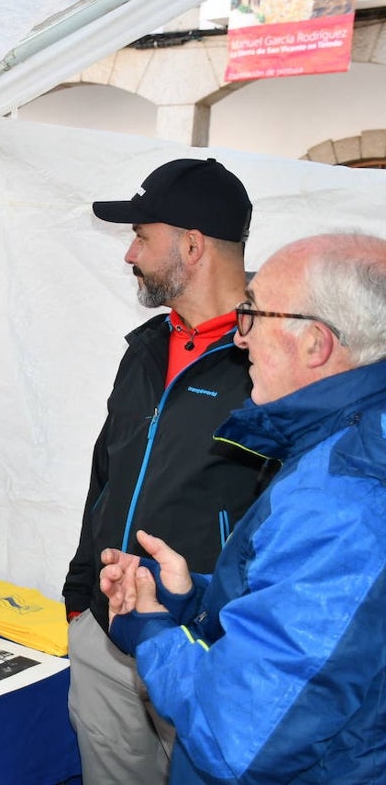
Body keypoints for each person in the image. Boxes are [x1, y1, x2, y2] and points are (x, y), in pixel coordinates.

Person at [102, 233, 386, 784]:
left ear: (316, 345)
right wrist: (194, 599)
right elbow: (319, 632)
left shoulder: (348, 497)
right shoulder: (343, 445)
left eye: (253, 313)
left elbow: (235, 734)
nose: (239, 336)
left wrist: (153, 632)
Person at [61, 158, 268, 784]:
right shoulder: (147, 347)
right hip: (106, 629)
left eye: (141, 236)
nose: (129, 254)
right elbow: (106, 474)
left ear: (193, 245)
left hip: (204, 644)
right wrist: (80, 597)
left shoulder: (270, 361)